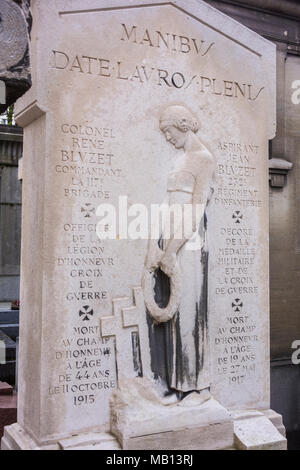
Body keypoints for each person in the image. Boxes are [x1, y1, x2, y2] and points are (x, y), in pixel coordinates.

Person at [144, 105, 216, 402]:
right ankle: (177, 385)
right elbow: (165, 202)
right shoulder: (179, 158)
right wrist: (155, 244)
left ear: (182, 125)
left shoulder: (203, 159)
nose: (166, 137)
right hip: (169, 236)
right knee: (172, 317)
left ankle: (196, 386)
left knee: (188, 312)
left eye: (168, 131)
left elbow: (197, 208)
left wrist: (173, 249)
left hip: (189, 241)